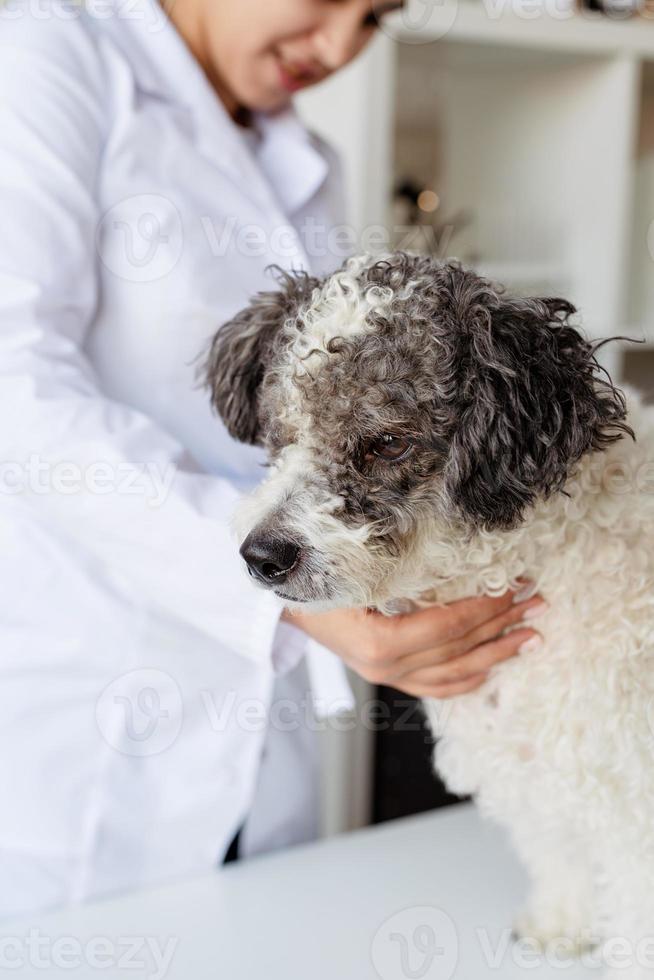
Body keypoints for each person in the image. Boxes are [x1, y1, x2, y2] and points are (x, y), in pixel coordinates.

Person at [0, 0, 545, 917]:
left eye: (375, 16)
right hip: (93, 687)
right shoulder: (48, 50)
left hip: (276, 710)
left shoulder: (305, 161)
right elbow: (16, 389)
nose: (339, 47)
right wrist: (292, 608)